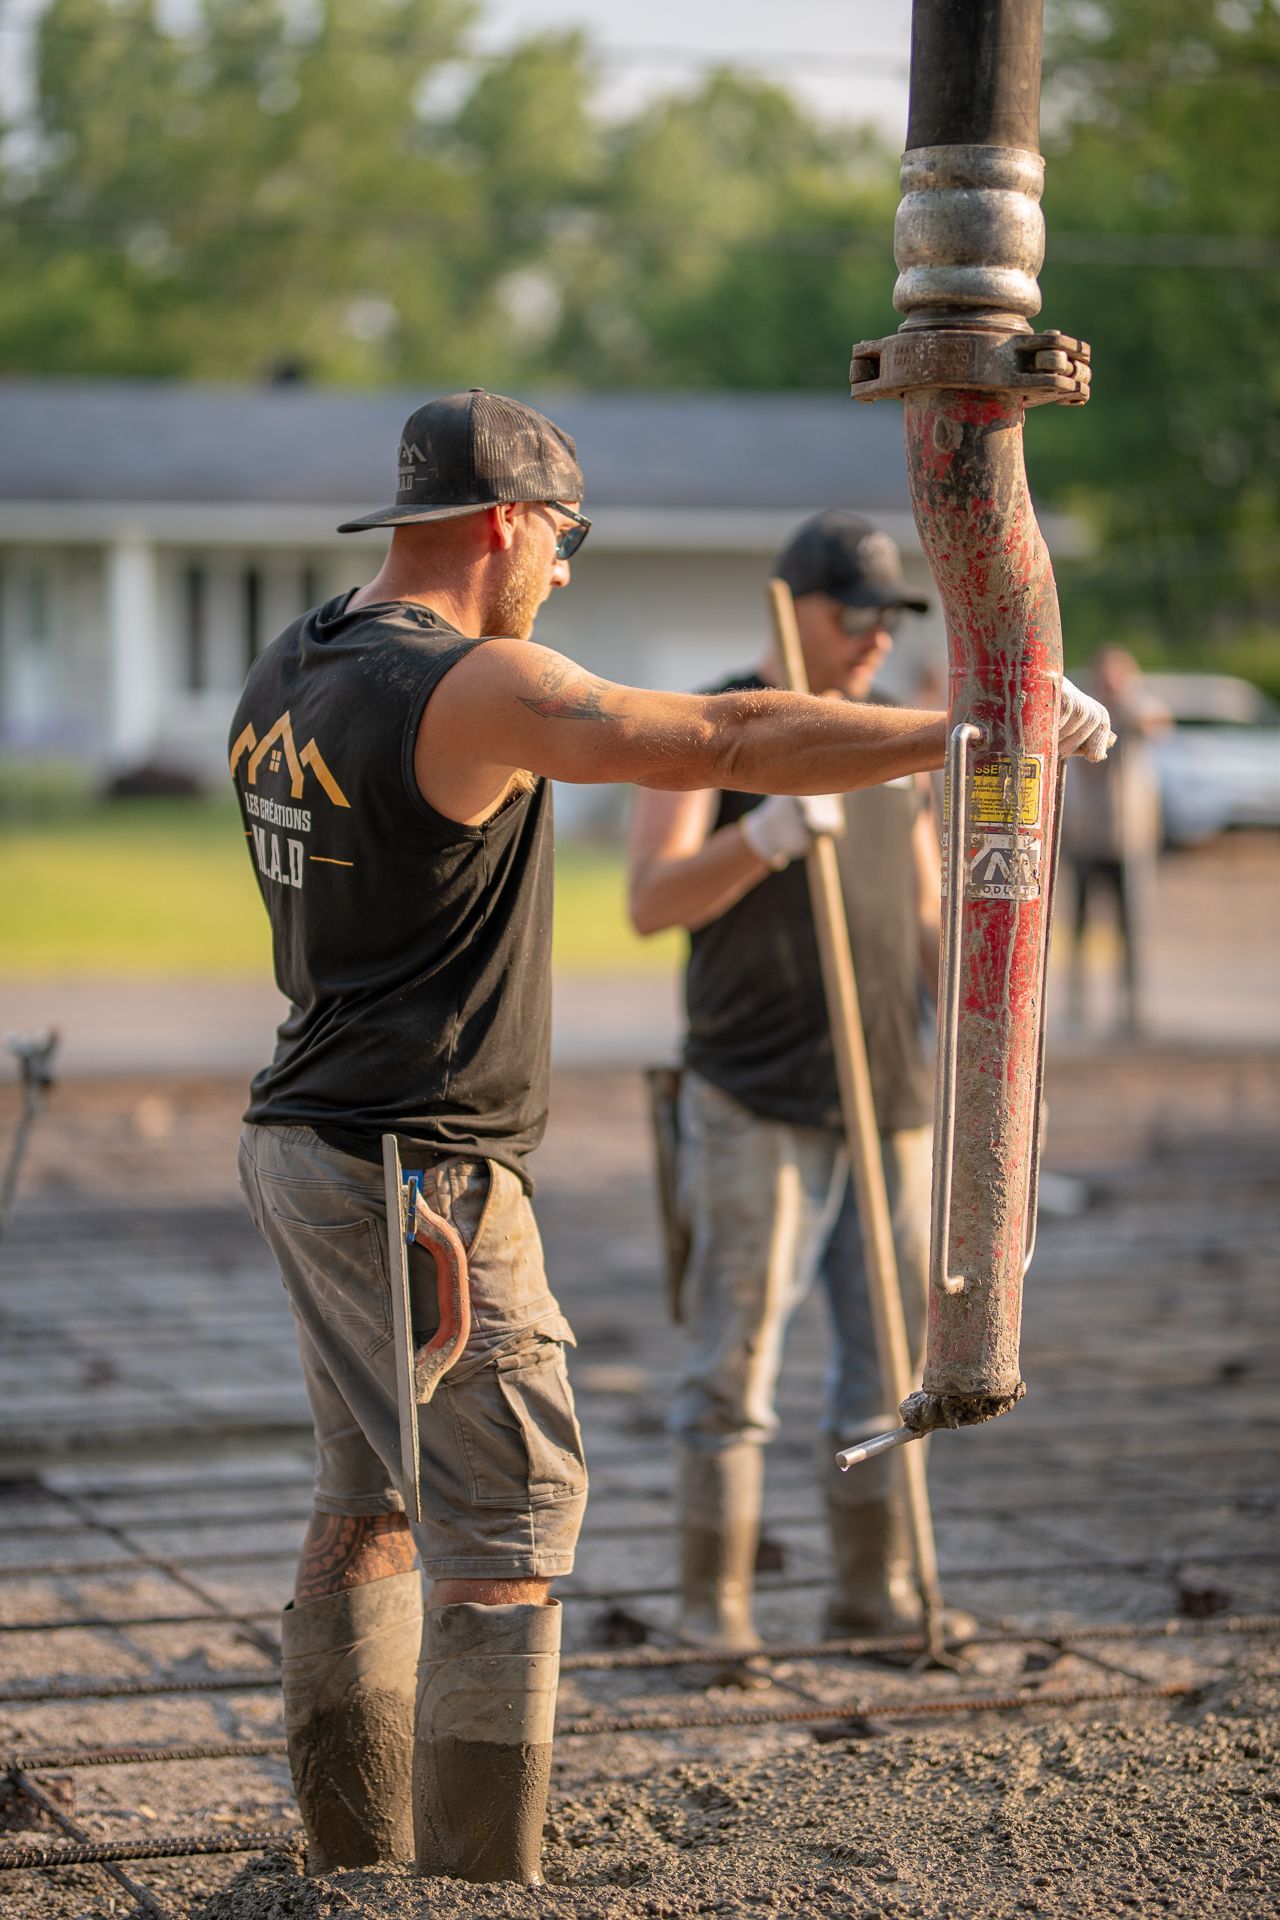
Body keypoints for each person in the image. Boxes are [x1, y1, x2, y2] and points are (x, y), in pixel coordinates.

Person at [228, 392, 1112, 1885]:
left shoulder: (288, 666)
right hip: (418, 1170)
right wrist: (970, 729)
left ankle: (349, 1857)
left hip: (306, 1136)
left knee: (368, 1495)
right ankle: (471, 1881)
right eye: (563, 539)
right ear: (505, 521)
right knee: (510, 1512)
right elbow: (719, 734)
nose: (565, 570)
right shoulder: (472, 686)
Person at [628, 511, 956, 1651]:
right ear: (792, 607)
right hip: (754, 1097)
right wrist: (757, 838)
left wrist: (988, 1026)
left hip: (890, 1100)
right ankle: (710, 1618)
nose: (873, 638)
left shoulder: (886, 740)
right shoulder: (700, 731)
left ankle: (874, 1599)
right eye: (852, 614)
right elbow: (648, 902)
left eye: (888, 617)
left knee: (885, 1373)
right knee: (731, 1375)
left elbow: (922, 916)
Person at [1061, 647, 1170, 1035]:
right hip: (1086, 836)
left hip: (1128, 839)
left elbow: (1158, 724)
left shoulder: (1135, 708)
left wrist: (1125, 700)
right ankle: (1077, 1004)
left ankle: (1132, 1007)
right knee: (1079, 927)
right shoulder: (1081, 710)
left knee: (1132, 928)